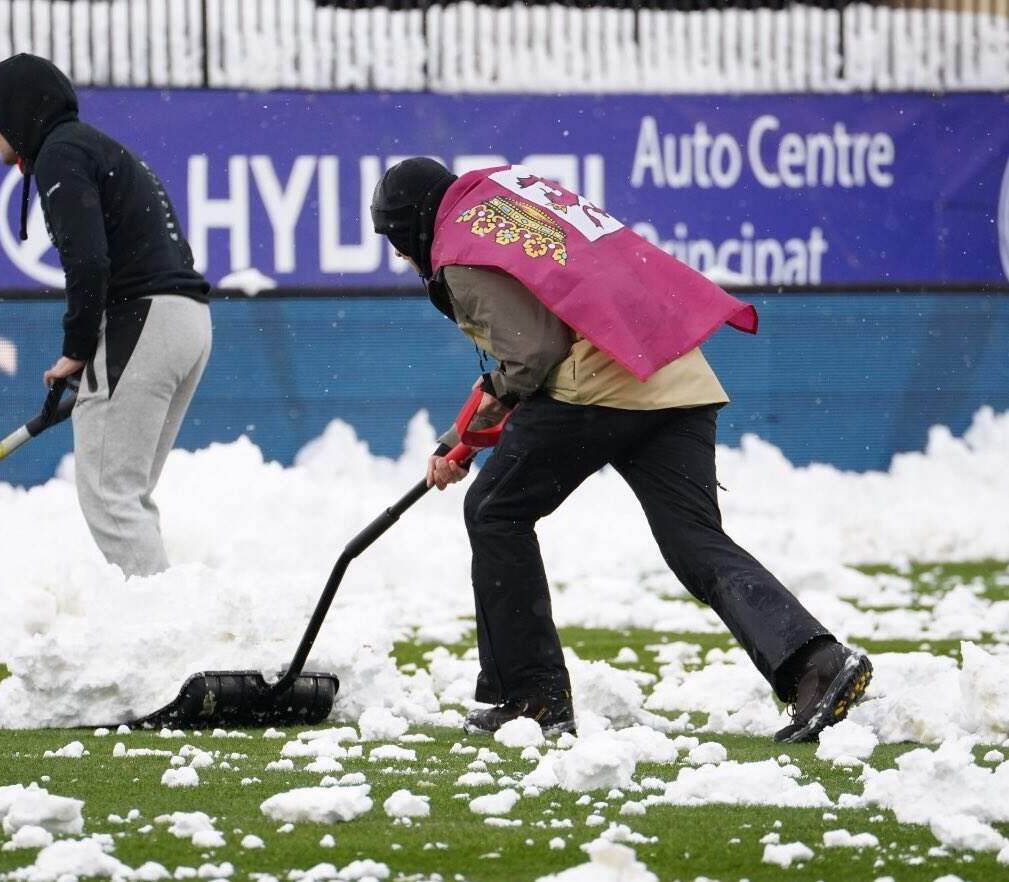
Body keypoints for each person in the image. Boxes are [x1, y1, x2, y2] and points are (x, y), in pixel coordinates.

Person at [370, 157, 872, 743]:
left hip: (599, 386)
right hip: (673, 374)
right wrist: (460, 441)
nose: (402, 259)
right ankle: (816, 663)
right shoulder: (502, 198)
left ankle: (532, 697)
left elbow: (533, 354)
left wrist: (468, 441)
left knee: (494, 512)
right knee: (694, 541)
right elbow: (536, 341)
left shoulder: (458, 255)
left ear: (412, 226)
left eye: (397, 244)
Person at [0, 54, 212, 578]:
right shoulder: (92, 146)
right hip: (186, 321)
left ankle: (163, 632)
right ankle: (172, 622)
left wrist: (78, 348)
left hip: (145, 319)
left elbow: (88, 260)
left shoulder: (60, 154)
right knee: (127, 496)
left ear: (18, 113)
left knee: (110, 497)